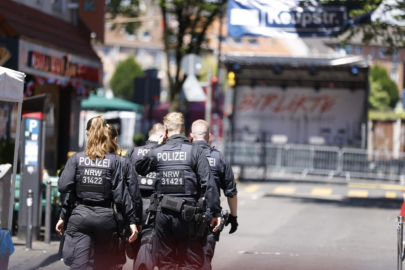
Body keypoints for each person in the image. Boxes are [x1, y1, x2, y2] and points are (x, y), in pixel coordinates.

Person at [135, 112, 222, 270]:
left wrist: (156, 146)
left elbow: (140, 167)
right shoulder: (195, 152)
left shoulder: (158, 152)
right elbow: (208, 184)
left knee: (165, 262)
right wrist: (216, 212)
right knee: (191, 262)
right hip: (187, 216)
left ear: (166, 131)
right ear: (183, 129)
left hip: (163, 214)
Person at [56, 116, 141, 270]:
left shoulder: (76, 159)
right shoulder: (114, 161)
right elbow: (121, 195)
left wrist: (63, 216)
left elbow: (64, 187)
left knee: (79, 265)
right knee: (103, 265)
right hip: (106, 219)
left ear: (87, 133)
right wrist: (132, 221)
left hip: (80, 216)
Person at [190, 119, 238, 270]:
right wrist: (234, 216)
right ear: (209, 136)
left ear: (190, 136)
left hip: (184, 216)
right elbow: (231, 192)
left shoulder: (183, 155)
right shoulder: (218, 158)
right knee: (204, 260)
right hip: (210, 217)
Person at [125, 123, 165, 270]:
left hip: (133, 208)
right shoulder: (163, 152)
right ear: (162, 135)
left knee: (138, 250)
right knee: (149, 247)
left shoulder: (133, 152)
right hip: (155, 208)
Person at [107, 123, 143, 270]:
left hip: (85, 217)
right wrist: (135, 221)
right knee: (114, 262)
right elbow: (134, 194)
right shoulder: (123, 163)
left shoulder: (82, 159)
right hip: (115, 219)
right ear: (115, 139)